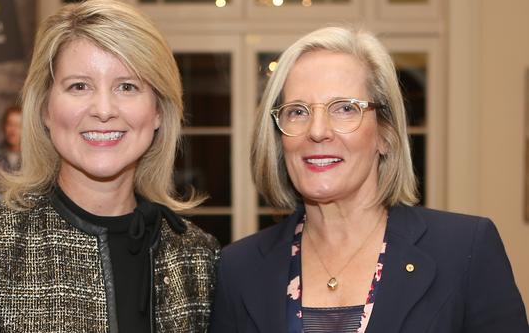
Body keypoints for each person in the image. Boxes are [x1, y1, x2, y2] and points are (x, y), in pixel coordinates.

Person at [0, 0, 219, 332]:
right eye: (79, 86)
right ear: (46, 109)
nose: (104, 109)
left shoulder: (196, 256)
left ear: (158, 112)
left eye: (127, 86)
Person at [209, 26, 529, 332]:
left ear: (385, 134)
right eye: (298, 111)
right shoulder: (238, 268)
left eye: (345, 108)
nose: (318, 131)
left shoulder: (464, 251)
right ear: (279, 137)